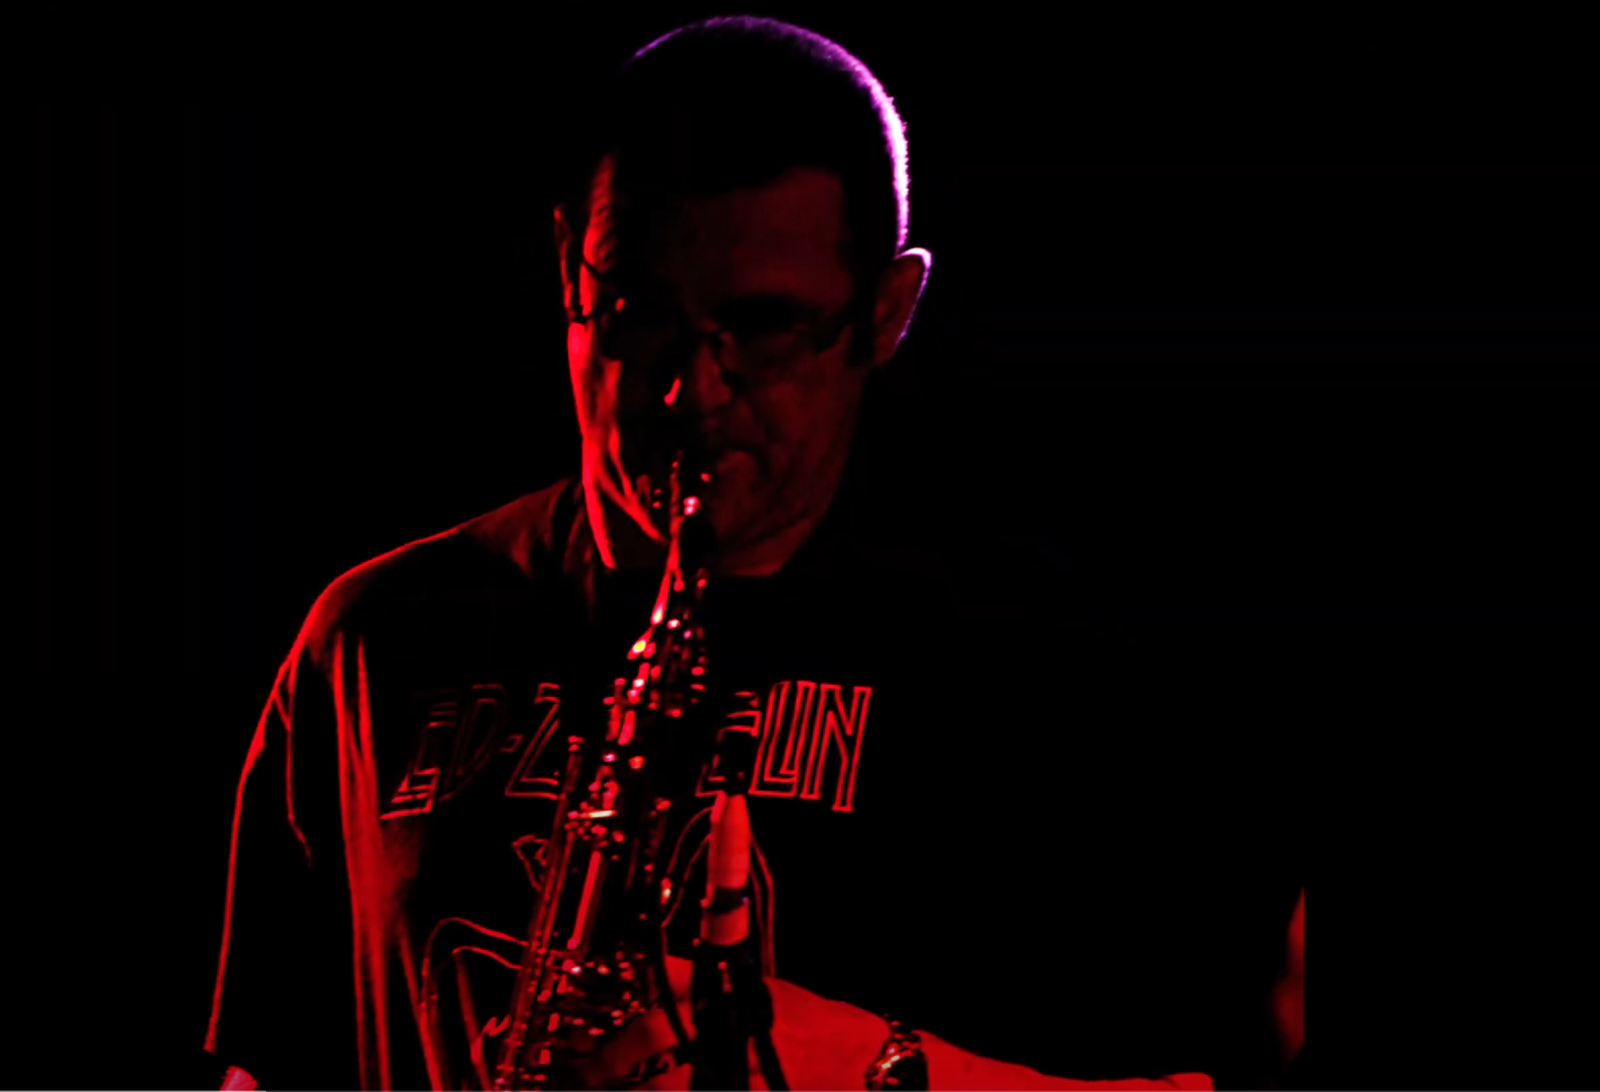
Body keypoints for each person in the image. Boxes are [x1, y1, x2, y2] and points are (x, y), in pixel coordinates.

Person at [204, 16, 1304, 1091]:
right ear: (568, 270)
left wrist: (882, 1070)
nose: (690, 391)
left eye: (766, 326)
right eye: (638, 311)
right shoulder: (373, 642)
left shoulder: (1058, 670)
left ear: (887, 312)